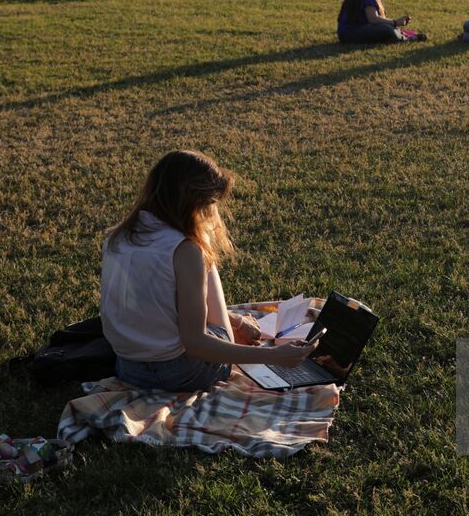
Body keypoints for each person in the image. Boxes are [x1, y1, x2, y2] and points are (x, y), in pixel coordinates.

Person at [100, 150, 318, 392]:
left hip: (128, 368)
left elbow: (158, 304)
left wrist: (236, 320)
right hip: (180, 374)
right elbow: (196, 344)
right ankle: (233, 332)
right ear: (197, 202)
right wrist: (275, 356)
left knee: (200, 256)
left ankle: (234, 324)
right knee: (204, 253)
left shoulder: (117, 237)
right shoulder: (183, 249)